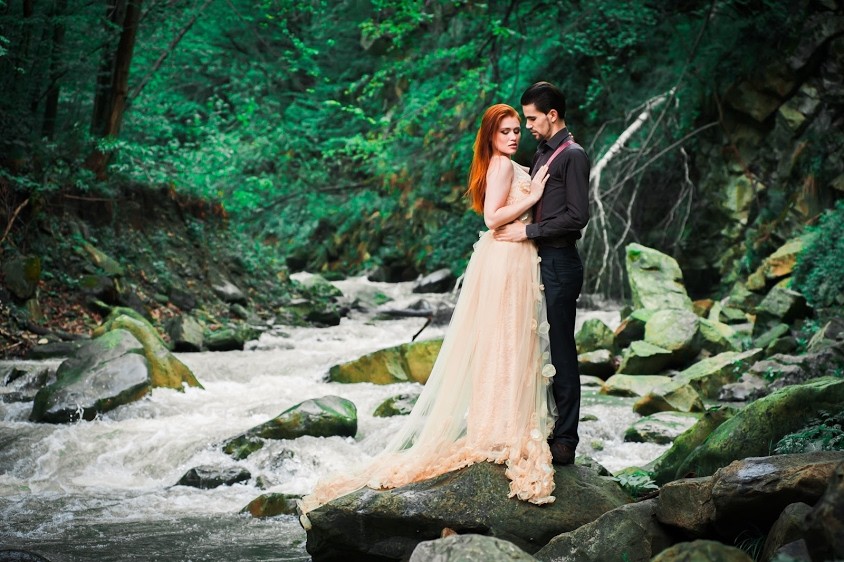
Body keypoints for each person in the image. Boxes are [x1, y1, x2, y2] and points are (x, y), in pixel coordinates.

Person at [298, 103, 557, 517]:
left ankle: (500, 426)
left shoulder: (505, 163)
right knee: (505, 339)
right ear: (490, 136)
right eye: (505, 131)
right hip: (506, 257)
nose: (513, 137)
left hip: (511, 256)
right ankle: (499, 429)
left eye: (515, 130)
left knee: (507, 340)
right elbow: (492, 218)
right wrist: (536, 195)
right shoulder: (500, 166)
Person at [494, 82, 590, 466]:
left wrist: (528, 231)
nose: (528, 126)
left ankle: (566, 440)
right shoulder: (542, 152)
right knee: (540, 348)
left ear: (552, 115)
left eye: (532, 119)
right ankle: (546, 427)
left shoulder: (573, 156)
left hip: (561, 263)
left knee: (561, 350)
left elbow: (577, 216)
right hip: (539, 261)